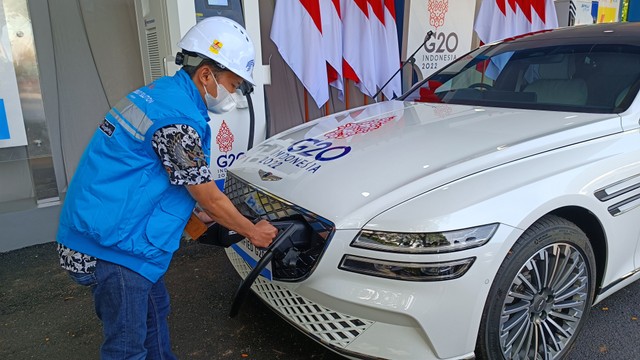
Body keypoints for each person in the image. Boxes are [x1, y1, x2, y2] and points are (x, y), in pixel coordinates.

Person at [55, 17, 277, 359]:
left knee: (155, 314)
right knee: (127, 347)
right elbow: (207, 192)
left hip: (116, 235)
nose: (234, 95)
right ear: (206, 74)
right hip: (112, 248)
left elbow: (154, 173)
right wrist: (252, 232)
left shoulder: (163, 96)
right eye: (234, 85)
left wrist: (194, 210)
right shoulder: (175, 120)